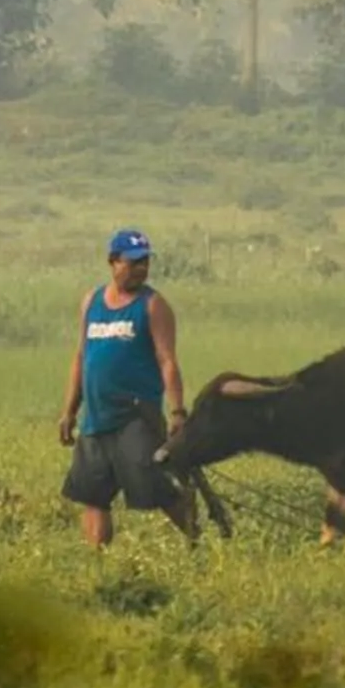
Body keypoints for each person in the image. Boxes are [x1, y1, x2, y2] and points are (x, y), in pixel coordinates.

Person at [56, 227, 198, 547]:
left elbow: (167, 361)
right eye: (132, 262)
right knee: (92, 494)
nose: (140, 269)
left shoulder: (153, 305)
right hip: (96, 416)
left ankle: (196, 537)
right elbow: (81, 357)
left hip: (136, 415)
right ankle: (97, 561)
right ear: (113, 262)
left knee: (153, 484)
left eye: (144, 262)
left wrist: (177, 411)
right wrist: (69, 412)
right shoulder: (91, 302)